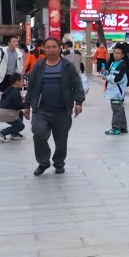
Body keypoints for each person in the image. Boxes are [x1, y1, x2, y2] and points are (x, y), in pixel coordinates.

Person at [23, 37, 86, 176]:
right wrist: (26, 106)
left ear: (60, 48)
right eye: (48, 47)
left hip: (62, 111)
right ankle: (43, 161)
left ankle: (59, 163)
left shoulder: (67, 66)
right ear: (44, 49)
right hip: (41, 110)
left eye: (54, 47)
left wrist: (79, 102)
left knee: (61, 140)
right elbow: (31, 87)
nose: (51, 50)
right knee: (38, 134)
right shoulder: (39, 66)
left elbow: (77, 84)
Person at [0, 36, 26, 130]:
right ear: (9, 43)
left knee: (17, 99)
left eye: (16, 41)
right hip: (3, 78)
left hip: (13, 78)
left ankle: (18, 123)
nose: (16, 43)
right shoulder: (1, 52)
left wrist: (21, 79)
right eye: (14, 41)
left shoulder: (19, 53)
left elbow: (20, 67)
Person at [0, 73, 26, 143]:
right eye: (22, 80)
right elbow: (18, 105)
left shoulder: (9, 89)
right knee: (20, 126)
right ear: (17, 82)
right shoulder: (15, 92)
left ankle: (15, 133)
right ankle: (2, 133)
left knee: (20, 114)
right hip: (7, 113)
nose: (23, 82)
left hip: (0, 111)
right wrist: (26, 104)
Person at [106, 45, 129, 136]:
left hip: (118, 92)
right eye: (115, 53)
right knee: (120, 108)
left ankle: (116, 128)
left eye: (119, 53)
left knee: (116, 109)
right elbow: (110, 73)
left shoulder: (122, 65)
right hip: (112, 90)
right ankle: (123, 127)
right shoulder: (113, 63)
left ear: (122, 55)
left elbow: (117, 79)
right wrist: (106, 73)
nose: (116, 55)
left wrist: (107, 77)